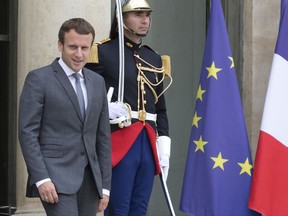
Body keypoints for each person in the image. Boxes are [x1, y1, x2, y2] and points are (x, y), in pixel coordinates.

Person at [85, 0, 172, 215]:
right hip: (120, 137)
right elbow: (84, 92)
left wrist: (164, 146)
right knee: (119, 208)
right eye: (137, 15)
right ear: (121, 19)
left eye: (147, 15)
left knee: (140, 208)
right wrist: (105, 107)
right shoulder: (103, 52)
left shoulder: (153, 57)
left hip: (148, 139)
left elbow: (160, 108)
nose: (145, 20)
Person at [18, 18, 111, 216]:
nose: (79, 54)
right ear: (60, 45)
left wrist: (105, 186)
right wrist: (41, 178)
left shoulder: (97, 82)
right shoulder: (39, 79)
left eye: (84, 48)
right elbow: (27, 133)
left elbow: (103, 137)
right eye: (73, 47)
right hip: (55, 178)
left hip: (91, 182)